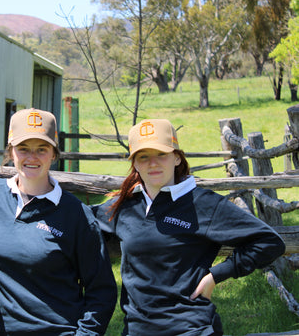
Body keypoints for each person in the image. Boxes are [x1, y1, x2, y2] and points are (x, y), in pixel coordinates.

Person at [93, 118, 286, 336]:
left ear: (176, 157)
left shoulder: (202, 204)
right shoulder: (124, 207)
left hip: (191, 327)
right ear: (135, 163)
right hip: (137, 329)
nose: (152, 163)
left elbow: (269, 242)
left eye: (161, 154)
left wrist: (217, 275)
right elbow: (78, 221)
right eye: (143, 157)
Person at [0, 108, 117, 335]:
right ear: (11, 152)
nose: (31, 157)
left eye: (41, 149)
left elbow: (102, 290)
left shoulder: (75, 214)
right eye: (23, 149)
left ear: (53, 154)